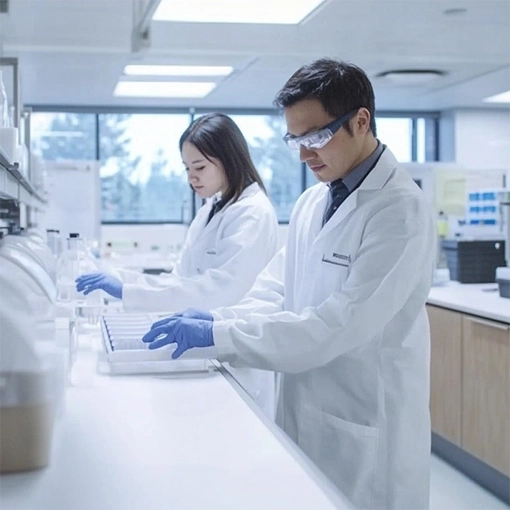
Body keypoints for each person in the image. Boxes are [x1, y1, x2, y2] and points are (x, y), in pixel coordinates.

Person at [141, 59, 436, 510]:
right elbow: (274, 291)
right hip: (305, 406)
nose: (304, 154)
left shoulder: (400, 211)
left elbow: (337, 325)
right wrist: (218, 317)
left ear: (361, 121)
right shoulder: (313, 199)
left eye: (316, 136)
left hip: (365, 424)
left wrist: (220, 335)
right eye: (295, 139)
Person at [76, 113, 279, 418]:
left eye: (200, 167)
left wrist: (129, 289)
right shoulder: (212, 207)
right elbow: (182, 278)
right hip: (202, 356)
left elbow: (220, 291)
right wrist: (126, 283)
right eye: (187, 168)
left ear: (229, 159)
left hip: (236, 363)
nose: (191, 177)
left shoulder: (252, 213)